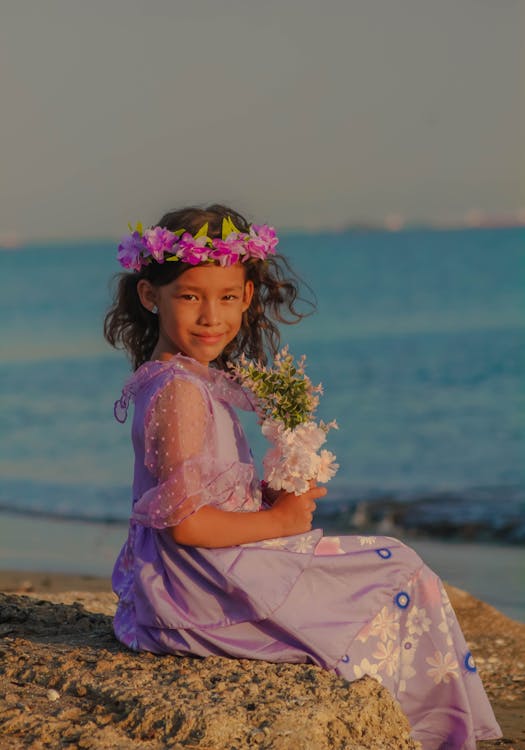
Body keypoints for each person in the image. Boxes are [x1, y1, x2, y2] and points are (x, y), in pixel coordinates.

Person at [105, 204, 501, 749]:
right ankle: (439, 734)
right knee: (399, 569)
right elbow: (188, 527)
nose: (210, 316)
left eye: (226, 297)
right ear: (152, 296)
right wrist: (280, 519)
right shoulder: (180, 391)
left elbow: (198, 493)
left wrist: (262, 496)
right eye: (190, 296)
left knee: (381, 565)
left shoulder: (186, 379)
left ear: (246, 297)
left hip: (199, 575)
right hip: (199, 589)